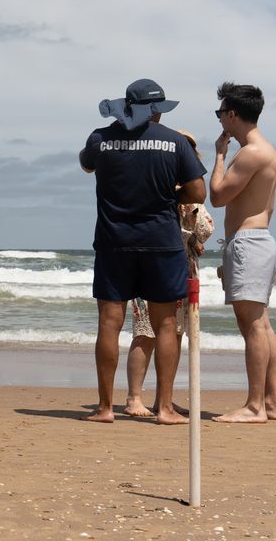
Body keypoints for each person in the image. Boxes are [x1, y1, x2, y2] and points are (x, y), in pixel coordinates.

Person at [79, 78, 206, 425]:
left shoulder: (101, 137)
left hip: (113, 240)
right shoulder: (174, 142)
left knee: (109, 322)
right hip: (160, 242)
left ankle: (106, 408)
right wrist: (168, 197)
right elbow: (198, 191)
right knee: (165, 323)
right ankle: (164, 408)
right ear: (155, 111)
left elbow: (86, 164)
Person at [124, 130, 215, 417]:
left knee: (172, 334)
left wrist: (190, 214)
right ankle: (134, 397)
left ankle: (164, 397)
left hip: (181, 269)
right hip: (153, 262)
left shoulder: (192, 197)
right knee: (145, 333)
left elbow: (205, 231)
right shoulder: (156, 188)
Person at [209, 82, 276, 423]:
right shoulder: (266, 149)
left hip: (249, 243)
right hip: (256, 241)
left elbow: (219, 196)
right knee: (261, 324)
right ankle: (270, 402)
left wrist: (220, 156)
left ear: (232, 114)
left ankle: (255, 406)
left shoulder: (251, 152)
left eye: (220, 112)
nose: (220, 118)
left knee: (252, 324)